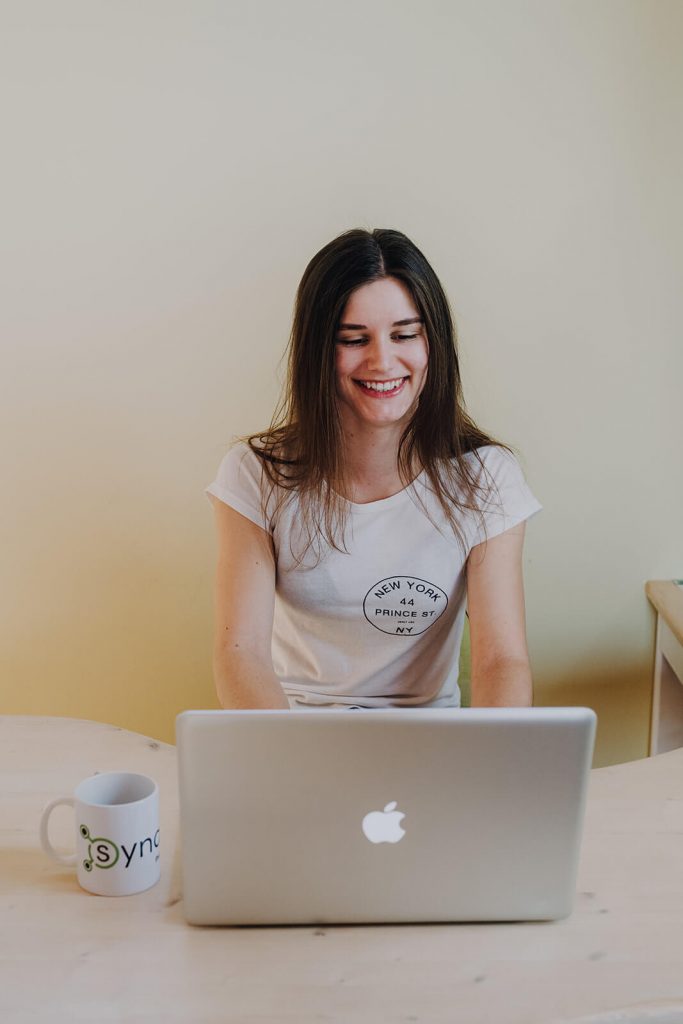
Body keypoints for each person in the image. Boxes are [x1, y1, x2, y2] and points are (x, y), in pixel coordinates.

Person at [206, 228, 542, 711]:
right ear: (318, 351)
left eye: (404, 334)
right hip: (292, 732)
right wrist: (287, 760)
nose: (383, 361)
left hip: (429, 744)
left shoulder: (486, 478)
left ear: (434, 345)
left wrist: (492, 768)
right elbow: (240, 655)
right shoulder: (255, 475)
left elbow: (502, 661)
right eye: (353, 339)